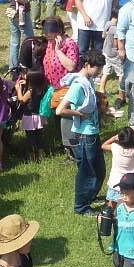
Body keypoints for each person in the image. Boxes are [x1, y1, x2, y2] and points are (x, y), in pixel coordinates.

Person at [58, 50, 105, 215]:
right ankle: (81, 207)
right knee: (87, 171)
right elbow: (60, 110)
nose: (99, 72)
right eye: (97, 69)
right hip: (84, 135)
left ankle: (90, 196)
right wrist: (79, 114)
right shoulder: (78, 85)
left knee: (99, 169)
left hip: (92, 132)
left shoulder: (87, 81)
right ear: (87, 65)